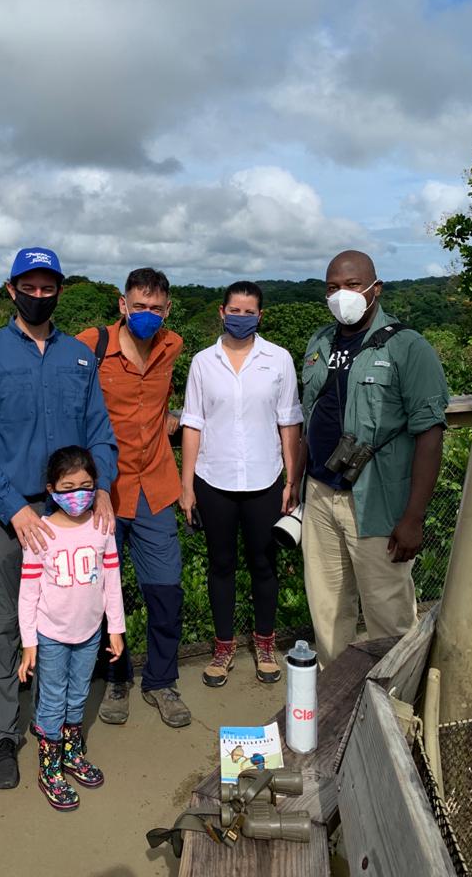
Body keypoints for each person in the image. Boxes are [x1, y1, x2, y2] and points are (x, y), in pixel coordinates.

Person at [0, 247, 117, 790]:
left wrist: (102, 488)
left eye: (49, 288)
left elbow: (99, 433)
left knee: (72, 615)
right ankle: (1, 735)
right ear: (12, 289)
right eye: (30, 287)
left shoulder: (79, 356)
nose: (39, 296)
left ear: (59, 292)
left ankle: (60, 729)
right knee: (5, 622)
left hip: (71, 509)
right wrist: (16, 507)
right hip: (8, 512)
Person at [298, 250, 449, 667]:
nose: (341, 295)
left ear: (375, 288)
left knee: (388, 613)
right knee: (328, 611)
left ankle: (394, 699)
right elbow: (310, 415)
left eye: (351, 285)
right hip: (320, 492)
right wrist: (297, 485)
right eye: (332, 287)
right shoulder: (320, 342)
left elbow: (430, 433)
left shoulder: (408, 346)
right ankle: (339, 695)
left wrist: (413, 517)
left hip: (377, 499)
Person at [77, 267, 190, 728]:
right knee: (104, 593)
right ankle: (117, 678)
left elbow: (163, 404)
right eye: (139, 305)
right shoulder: (90, 344)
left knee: (166, 590)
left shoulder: (172, 346)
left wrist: (171, 421)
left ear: (167, 310)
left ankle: (161, 681)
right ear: (122, 305)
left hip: (155, 486)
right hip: (104, 490)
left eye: (156, 308)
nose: (147, 314)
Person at [180, 281, 303, 688]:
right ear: (222, 312)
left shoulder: (278, 359)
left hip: (265, 479)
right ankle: (223, 647)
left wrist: (291, 478)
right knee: (221, 565)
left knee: (264, 565)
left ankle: (265, 645)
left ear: (260, 316)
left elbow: (289, 420)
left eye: (249, 312)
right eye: (234, 310)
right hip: (213, 479)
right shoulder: (203, 362)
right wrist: (186, 485)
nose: (241, 318)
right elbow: (192, 423)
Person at [17, 446, 125, 810]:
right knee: (52, 700)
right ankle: (49, 768)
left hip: (90, 633)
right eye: (68, 487)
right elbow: (28, 593)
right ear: (51, 490)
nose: (78, 494)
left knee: (78, 695)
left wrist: (115, 628)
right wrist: (29, 643)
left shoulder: (102, 528)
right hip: (50, 635)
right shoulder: (41, 533)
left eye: (86, 486)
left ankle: (71, 753)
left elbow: (112, 582)